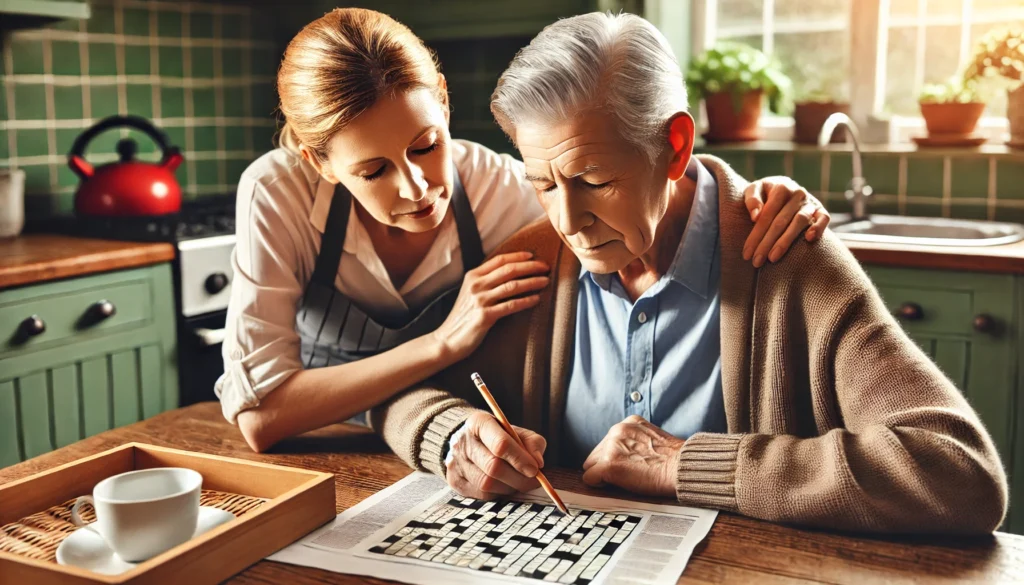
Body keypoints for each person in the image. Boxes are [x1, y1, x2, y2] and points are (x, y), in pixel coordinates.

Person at [370, 12, 1008, 535]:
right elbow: (397, 391)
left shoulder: (786, 257)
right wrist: (454, 436)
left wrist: (689, 465)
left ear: (675, 146)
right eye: (542, 183)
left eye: (594, 180)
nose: (568, 219)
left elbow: (961, 474)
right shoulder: (536, 260)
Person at [215, 8, 829, 453]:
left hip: (423, 446)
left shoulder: (505, 187)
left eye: (427, 145)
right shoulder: (277, 194)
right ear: (318, 163)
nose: (416, 186)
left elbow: (635, 176)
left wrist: (754, 195)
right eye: (373, 170)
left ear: (445, 109)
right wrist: (443, 344)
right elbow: (262, 419)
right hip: (320, 453)